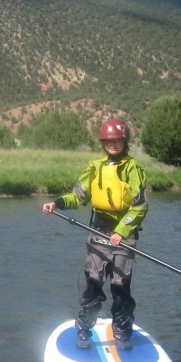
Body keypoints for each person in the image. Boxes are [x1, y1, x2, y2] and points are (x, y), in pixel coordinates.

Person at [42, 118, 148, 350]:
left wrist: (122, 231)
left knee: (120, 286)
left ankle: (121, 333)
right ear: (103, 142)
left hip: (124, 236)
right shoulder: (95, 168)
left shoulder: (133, 168)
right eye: (108, 141)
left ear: (125, 141)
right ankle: (84, 329)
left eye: (117, 140)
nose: (112, 144)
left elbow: (139, 206)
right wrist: (57, 203)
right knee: (94, 282)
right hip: (98, 232)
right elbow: (78, 197)